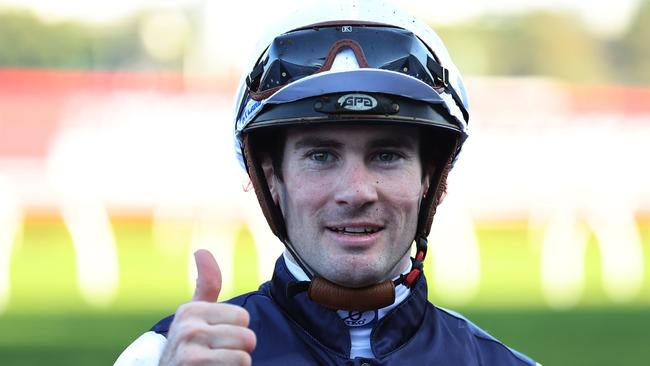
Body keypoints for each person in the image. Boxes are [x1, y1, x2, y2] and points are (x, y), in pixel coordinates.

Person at [115, 1, 540, 365]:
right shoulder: (160, 355)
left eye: (387, 155)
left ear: (430, 177)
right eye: (321, 156)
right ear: (271, 178)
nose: (356, 191)